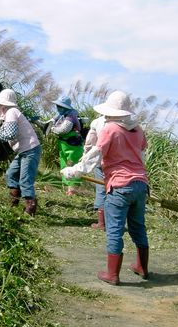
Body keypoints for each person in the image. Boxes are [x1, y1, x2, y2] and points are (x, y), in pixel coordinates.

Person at [61, 90, 150, 285]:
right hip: (141, 184)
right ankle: (142, 267)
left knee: (114, 229)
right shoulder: (138, 129)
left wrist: (73, 171)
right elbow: (141, 153)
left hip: (120, 186)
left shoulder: (110, 128)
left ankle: (112, 274)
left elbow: (95, 155)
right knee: (138, 226)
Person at [0, 89, 42, 217]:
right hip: (24, 150)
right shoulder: (10, 113)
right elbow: (6, 133)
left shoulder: (12, 112)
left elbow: (10, 134)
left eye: (0, 103)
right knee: (11, 173)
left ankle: (30, 209)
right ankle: (14, 202)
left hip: (29, 150)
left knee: (25, 180)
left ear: (5, 104)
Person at [50, 96, 84, 195]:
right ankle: (68, 189)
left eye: (59, 106)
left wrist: (52, 129)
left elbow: (63, 130)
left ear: (65, 107)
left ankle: (72, 190)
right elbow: (50, 121)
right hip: (64, 145)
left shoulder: (70, 116)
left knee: (72, 165)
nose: (57, 107)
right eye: (57, 105)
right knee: (65, 165)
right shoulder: (61, 115)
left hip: (72, 145)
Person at [84, 114, 107, 230]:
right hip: (122, 164)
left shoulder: (98, 122)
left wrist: (84, 157)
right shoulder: (130, 123)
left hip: (102, 161)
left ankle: (101, 223)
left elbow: (89, 143)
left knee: (101, 189)